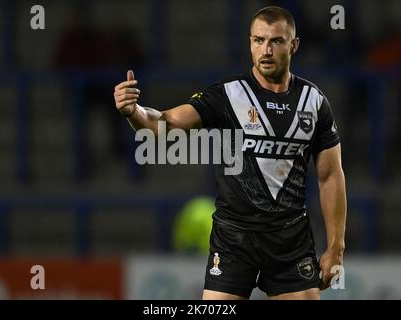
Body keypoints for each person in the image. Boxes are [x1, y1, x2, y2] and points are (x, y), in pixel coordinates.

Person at [113, 6, 346, 300]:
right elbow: (165, 125)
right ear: (249, 42)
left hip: (290, 240)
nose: (266, 49)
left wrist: (336, 247)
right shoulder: (227, 95)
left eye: (276, 41)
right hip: (234, 239)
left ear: (294, 45)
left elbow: (330, 176)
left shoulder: (314, 102)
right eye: (258, 40)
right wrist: (133, 111)